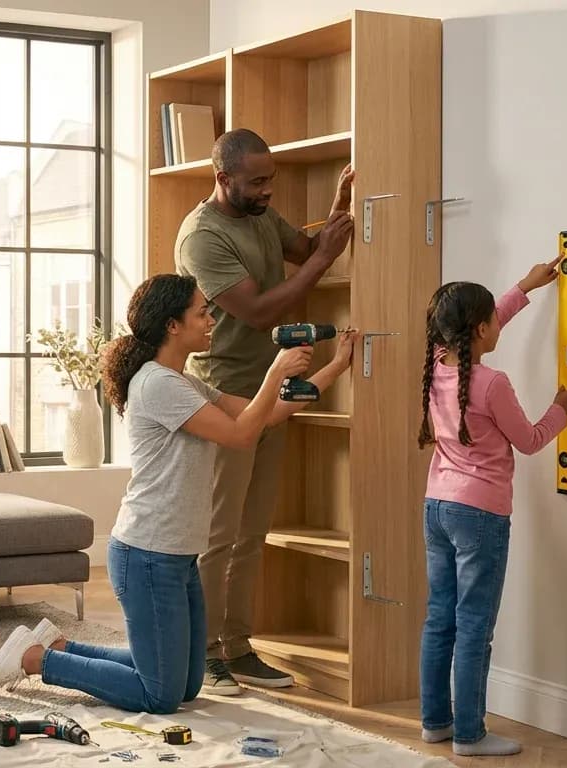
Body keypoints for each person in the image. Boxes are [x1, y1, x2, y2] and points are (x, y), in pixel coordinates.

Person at [0, 274, 355, 714]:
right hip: (148, 555)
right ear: (172, 325)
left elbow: (266, 415)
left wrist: (336, 366)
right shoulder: (159, 385)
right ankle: (36, 660)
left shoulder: (185, 382)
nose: (211, 320)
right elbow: (240, 434)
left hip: (175, 555)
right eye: (201, 313)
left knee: (186, 684)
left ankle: (56, 644)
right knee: (159, 696)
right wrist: (275, 371)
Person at [174, 127, 355, 694]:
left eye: (271, 179)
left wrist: (338, 210)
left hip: (273, 389)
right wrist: (324, 257)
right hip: (225, 393)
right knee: (219, 533)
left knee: (252, 532)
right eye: (257, 182)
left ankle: (239, 647)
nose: (268, 191)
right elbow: (256, 311)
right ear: (222, 178)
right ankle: (203, 654)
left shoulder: (258, 215)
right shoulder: (201, 236)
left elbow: (302, 251)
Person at [416, 261, 567, 756]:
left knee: (439, 619)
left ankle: (436, 724)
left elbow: (480, 325)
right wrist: (562, 408)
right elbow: (530, 441)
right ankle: (469, 734)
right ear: (479, 329)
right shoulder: (492, 382)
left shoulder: (437, 362)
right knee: (473, 626)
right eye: (493, 319)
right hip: (481, 517)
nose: (497, 325)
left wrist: (525, 288)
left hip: (438, 507)